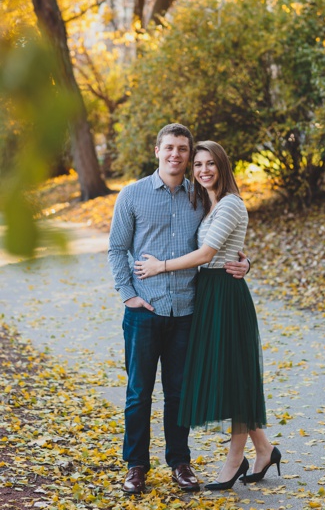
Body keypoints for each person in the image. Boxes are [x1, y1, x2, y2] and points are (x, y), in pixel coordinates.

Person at [108, 124, 250, 494]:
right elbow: (116, 249)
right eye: (169, 147)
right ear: (157, 150)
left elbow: (221, 238)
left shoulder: (200, 196)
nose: (176, 155)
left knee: (179, 393)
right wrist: (127, 294)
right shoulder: (132, 195)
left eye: (182, 149)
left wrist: (245, 262)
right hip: (144, 310)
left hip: (188, 311)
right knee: (139, 392)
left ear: (188, 155)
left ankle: (180, 463)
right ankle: (136, 466)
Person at [134, 140, 282, 491]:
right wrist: (245, 260)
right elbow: (232, 249)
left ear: (222, 166)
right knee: (232, 376)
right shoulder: (207, 203)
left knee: (234, 378)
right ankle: (265, 450)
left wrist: (159, 267)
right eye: (198, 164)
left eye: (210, 164)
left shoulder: (229, 203)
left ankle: (235, 460)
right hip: (210, 294)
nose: (203, 170)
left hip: (225, 297)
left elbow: (207, 254)